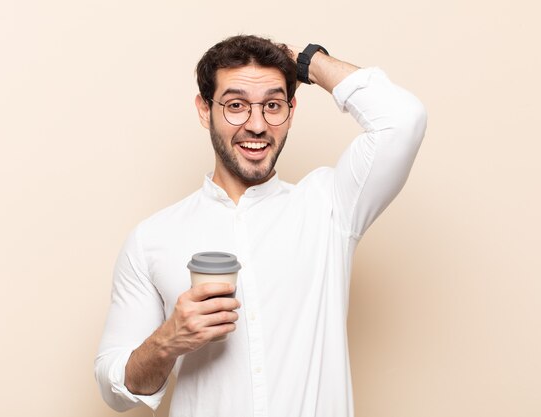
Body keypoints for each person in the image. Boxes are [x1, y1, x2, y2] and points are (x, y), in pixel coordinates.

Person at [95, 35, 426, 417]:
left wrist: (308, 63)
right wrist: (168, 341)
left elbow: (403, 119)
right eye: (236, 105)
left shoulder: (329, 206)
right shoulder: (152, 238)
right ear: (205, 110)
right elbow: (115, 390)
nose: (256, 125)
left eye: (272, 105)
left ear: (291, 109)